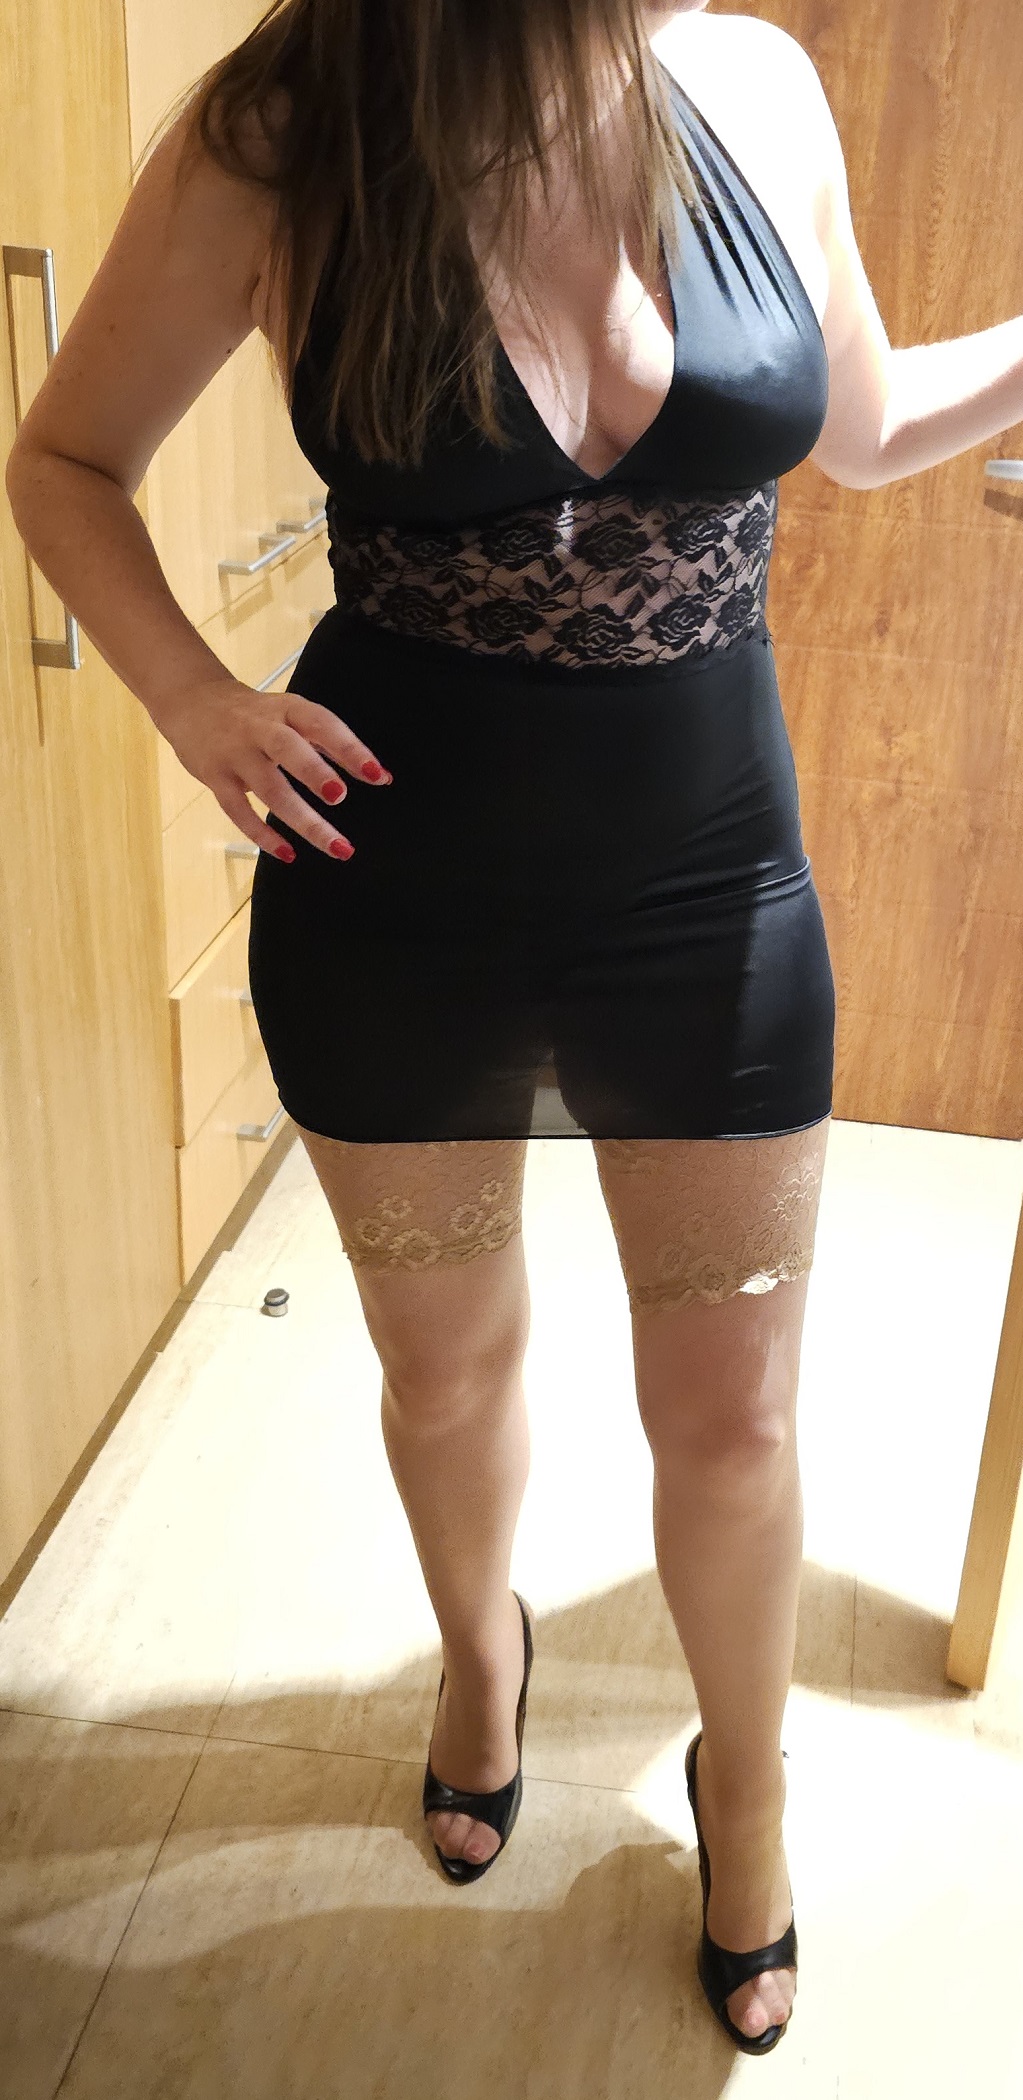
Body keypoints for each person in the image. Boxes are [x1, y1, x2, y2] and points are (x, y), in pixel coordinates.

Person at [9, 0, 1019, 2059]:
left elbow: (859, 426)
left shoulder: (752, 83)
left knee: (735, 1419)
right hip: (393, 881)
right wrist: (193, 697)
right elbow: (65, 459)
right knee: (446, 1368)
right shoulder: (287, 124)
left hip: (706, 884)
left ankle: (744, 1786)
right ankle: (482, 1666)